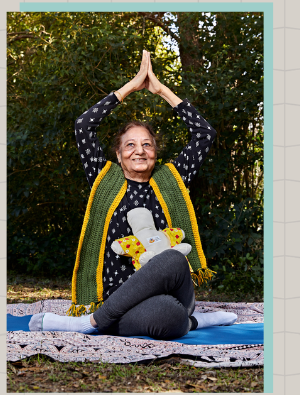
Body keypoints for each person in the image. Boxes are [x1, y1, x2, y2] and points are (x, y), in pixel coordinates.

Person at [29, 51, 237, 340]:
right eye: (130, 145)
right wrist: (129, 87)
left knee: (174, 260)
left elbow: (204, 134)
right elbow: (83, 127)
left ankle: (90, 323)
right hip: (121, 304)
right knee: (170, 315)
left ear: (156, 152)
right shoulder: (105, 179)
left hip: (168, 288)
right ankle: (187, 321)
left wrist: (161, 90)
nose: (139, 150)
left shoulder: (171, 180)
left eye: (147, 144)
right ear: (118, 154)